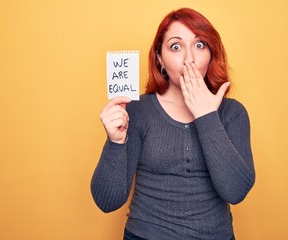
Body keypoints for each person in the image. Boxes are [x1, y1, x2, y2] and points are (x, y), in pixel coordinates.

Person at [91, 8, 255, 240]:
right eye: (176, 47)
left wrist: (206, 115)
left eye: (199, 45)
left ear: (211, 53)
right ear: (160, 58)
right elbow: (107, 201)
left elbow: (236, 191)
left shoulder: (233, 113)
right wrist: (115, 143)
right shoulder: (138, 111)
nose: (189, 58)